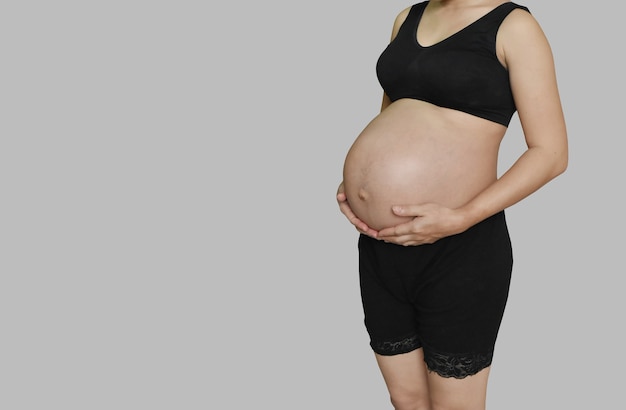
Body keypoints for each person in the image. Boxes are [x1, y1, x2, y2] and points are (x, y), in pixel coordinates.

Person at [336, 1, 568, 409]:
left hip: (461, 248)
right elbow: (393, 112)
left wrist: (462, 217)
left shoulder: (514, 26)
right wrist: (361, 181)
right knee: (405, 398)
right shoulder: (406, 18)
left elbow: (551, 153)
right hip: (381, 246)